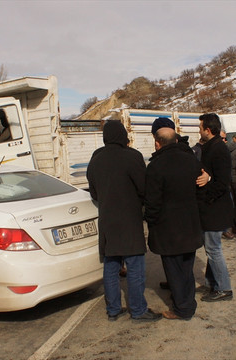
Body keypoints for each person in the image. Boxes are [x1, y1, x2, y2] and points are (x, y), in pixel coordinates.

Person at [86, 120, 161, 322]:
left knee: (111, 267)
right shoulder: (132, 156)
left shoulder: (96, 159)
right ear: (123, 136)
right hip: (129, 219)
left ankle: (113, 310)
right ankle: (137, 310)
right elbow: (143, 188)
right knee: (135, 267)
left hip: (107, 220)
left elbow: (93, 191)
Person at [145, 124, 203, 320]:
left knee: (174, 270)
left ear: (157, 143)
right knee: (186, 267)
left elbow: (152, 201)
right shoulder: (191, 161)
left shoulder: (156, 166)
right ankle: (188, 302)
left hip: (168, 228)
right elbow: (200, 189)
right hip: (190, 224)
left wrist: (150, 221)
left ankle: (182, 309)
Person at [197, 113, 234, 302]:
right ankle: (212, 283)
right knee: (211, 248)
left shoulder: (218, 149)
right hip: (212, 208)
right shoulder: (211, 147)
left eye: (200, 127)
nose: (199, 131)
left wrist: (207, 187)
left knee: (213, 249)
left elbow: (223, 183)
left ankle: (224, 288)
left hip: (215, 209)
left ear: (208, 130)